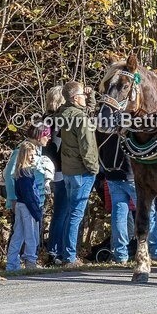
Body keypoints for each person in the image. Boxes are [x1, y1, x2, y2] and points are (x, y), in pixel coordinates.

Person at [99, 130, 157, 264]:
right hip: (130, 171)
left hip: (110, 169)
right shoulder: (129, 121)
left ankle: (120, 254)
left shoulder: (103, 121)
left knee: (119, 213)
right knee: (147, 210)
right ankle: (156, 251)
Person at [57, 81, 98, 267]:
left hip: (68, 171)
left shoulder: (65, 113)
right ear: (75, 98)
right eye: (82, 94)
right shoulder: (80, 119)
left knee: (70, 213)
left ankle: (66, 253)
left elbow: (87, 111)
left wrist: (90, 97)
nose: (84, 97)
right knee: (76, 214)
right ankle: (70, 257)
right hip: (82, 172)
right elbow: (87, 147)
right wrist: (94, 168)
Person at [4, 124, 54, 271]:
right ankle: (27, 261)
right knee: (29, 233)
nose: (49, 138)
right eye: (47, 135)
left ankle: (14, 263)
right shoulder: (23, 150)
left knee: (21, 233)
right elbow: (9, 175)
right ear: (39, 136)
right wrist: (13, 198)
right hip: (26, 201)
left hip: (34, 199)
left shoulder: (36, 151)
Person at [43, 85, 67, 262]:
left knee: (60, 212)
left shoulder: (44, 119)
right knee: (62, 212)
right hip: (61, 170)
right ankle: (55, 250)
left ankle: (54, 249)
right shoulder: (59, 121)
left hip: (51, 170)